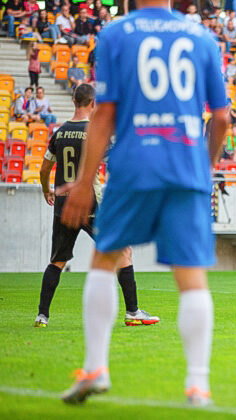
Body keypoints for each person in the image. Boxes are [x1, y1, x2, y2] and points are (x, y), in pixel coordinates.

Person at [58, 0, 229, 406]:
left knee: (104, 258)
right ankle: (198, 384)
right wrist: (205, 168)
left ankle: (97, 367)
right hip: (186, 166)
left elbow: (104, 115)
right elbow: (220, 118)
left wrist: (84, 182)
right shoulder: (200, 36)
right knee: (191, 277)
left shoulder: (116, 34)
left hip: (133, 165)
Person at [35, 84, 158, 328]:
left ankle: (42, 315)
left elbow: (44, 168)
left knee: (57, 262)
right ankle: (133, 311)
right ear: (93, 104)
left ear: (73, 101)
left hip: (63, 205)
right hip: (91, 205)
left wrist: (46, 189)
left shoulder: (59, 133)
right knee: (123, 251)